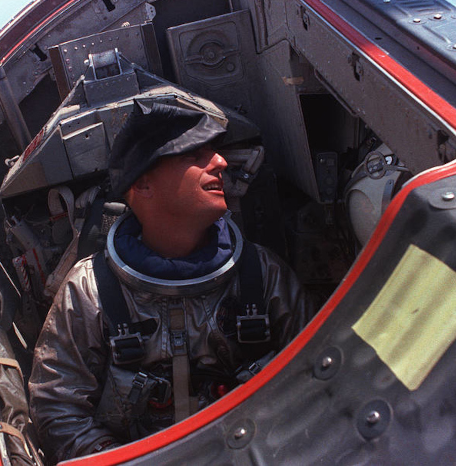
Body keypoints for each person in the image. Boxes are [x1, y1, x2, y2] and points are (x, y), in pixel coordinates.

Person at [28, 103, 314, 462]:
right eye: (194, 155)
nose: (220, 162)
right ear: (143, 184)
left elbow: (315, 379)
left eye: (215, 152)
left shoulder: (261, 273)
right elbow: (58, 409)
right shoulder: (91, 290)